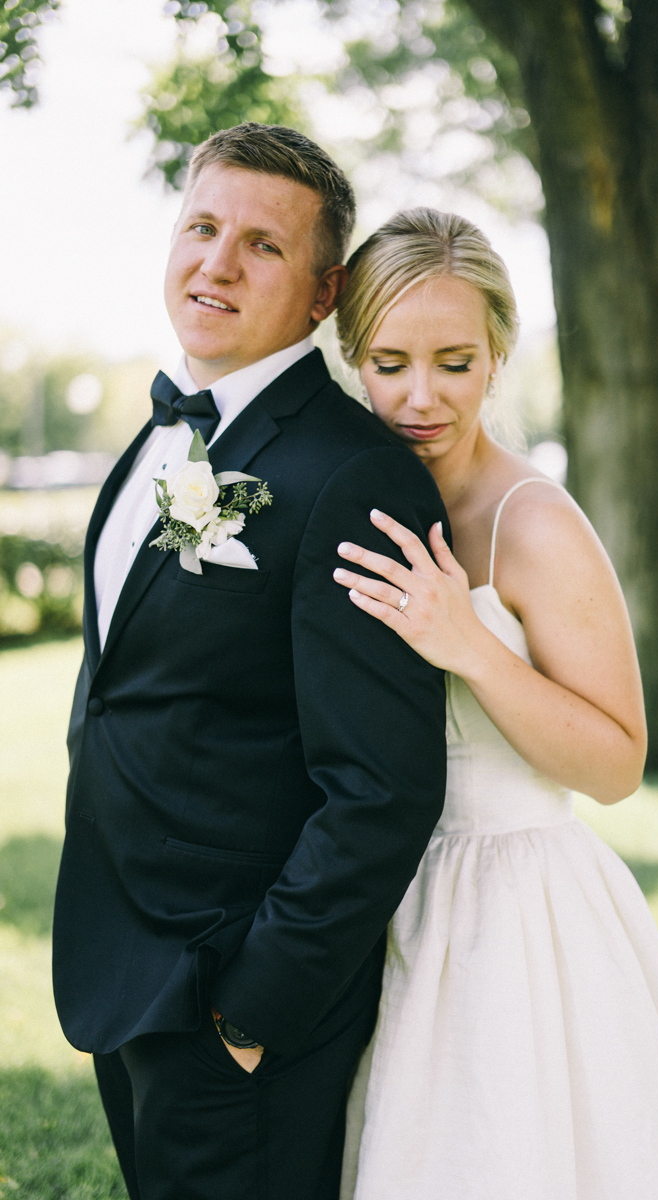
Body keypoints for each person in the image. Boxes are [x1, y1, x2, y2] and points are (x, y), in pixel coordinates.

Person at [333, 208, 658, 1198]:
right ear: (350, 355)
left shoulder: (533, 524)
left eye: (455, 362)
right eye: (389, 362)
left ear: (498, 356)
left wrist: (470, 647)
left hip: (514, 910)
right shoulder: (354, 496)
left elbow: (616, 763)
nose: (420, 396)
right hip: (384, 899)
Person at [51, 127, 450, 1200]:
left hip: (232, 995)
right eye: (202, 227)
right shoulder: (159, 440)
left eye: (261, 246)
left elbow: (382, 786)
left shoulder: (351, 473)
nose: (217, 263)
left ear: (323, 296)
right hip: (125, 959)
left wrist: (251, 1008)